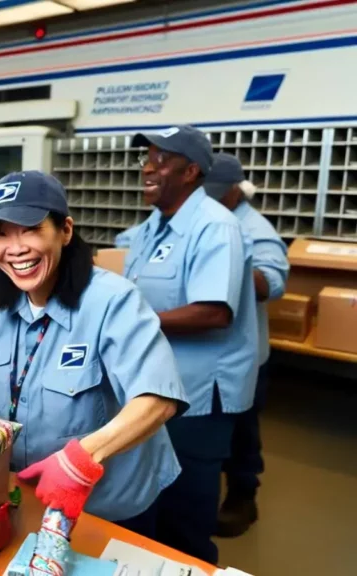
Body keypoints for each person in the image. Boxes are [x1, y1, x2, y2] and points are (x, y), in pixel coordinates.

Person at [0, 171, 186, 537]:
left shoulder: (112, 301)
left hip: (107, 505)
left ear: (65, 230)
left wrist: (83, 459)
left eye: (29, 229)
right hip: (21, 493)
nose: (15, 248)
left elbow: (157, 400)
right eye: (0, 234)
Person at [123, 126, 258, 565]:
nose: (147, 167)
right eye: (147, 158)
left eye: (161, 159)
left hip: (199, 396)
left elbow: (214, 312)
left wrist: (133, 323)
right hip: (157, 386)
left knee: (186, 518)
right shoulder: (150, 229)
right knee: (152, 506)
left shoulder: (216, 226)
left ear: (191, 171)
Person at [204, 153, 289, 538]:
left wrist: (234, 257)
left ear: (236, 191)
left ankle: (243, 496)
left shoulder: (255, 228)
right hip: (206, 355)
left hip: (242, 358)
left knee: (242, 429)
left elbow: (272, 283)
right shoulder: (200, 218)